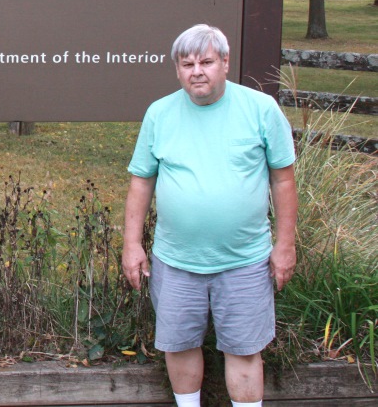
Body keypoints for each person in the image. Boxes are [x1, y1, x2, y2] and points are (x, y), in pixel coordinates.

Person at [121, 24, 298, 407]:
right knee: (179, 345)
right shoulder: (160, 113)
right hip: (176, 259)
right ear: (177, 69)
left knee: (245, 351)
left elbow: (283, 180)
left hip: (245, 259)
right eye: (187, 64)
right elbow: (140, 182)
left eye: (206, 61)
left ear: (225, 63)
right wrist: (132, 245)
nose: (196, 71)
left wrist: (285, 245)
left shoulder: (260, 109)